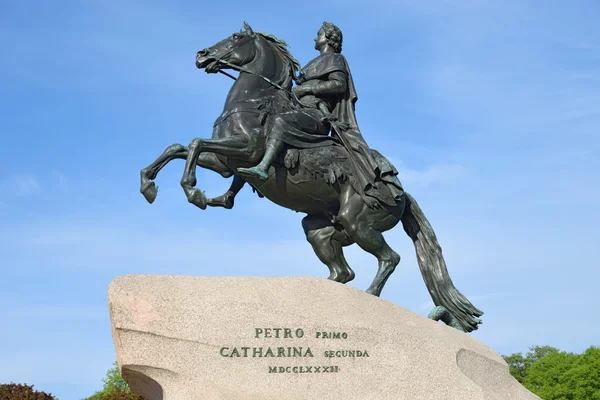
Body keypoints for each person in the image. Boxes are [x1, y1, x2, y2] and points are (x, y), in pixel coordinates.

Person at [237, 21, 402, 208]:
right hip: (300, 110)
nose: (316, 38)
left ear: (329, 39)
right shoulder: (313, 63)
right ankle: (232, 192)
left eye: (319, 34)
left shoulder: (336, 59)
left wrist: (309, 87)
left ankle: (263, 167)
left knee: (280, 120)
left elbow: (339, 84)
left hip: (317, 115)